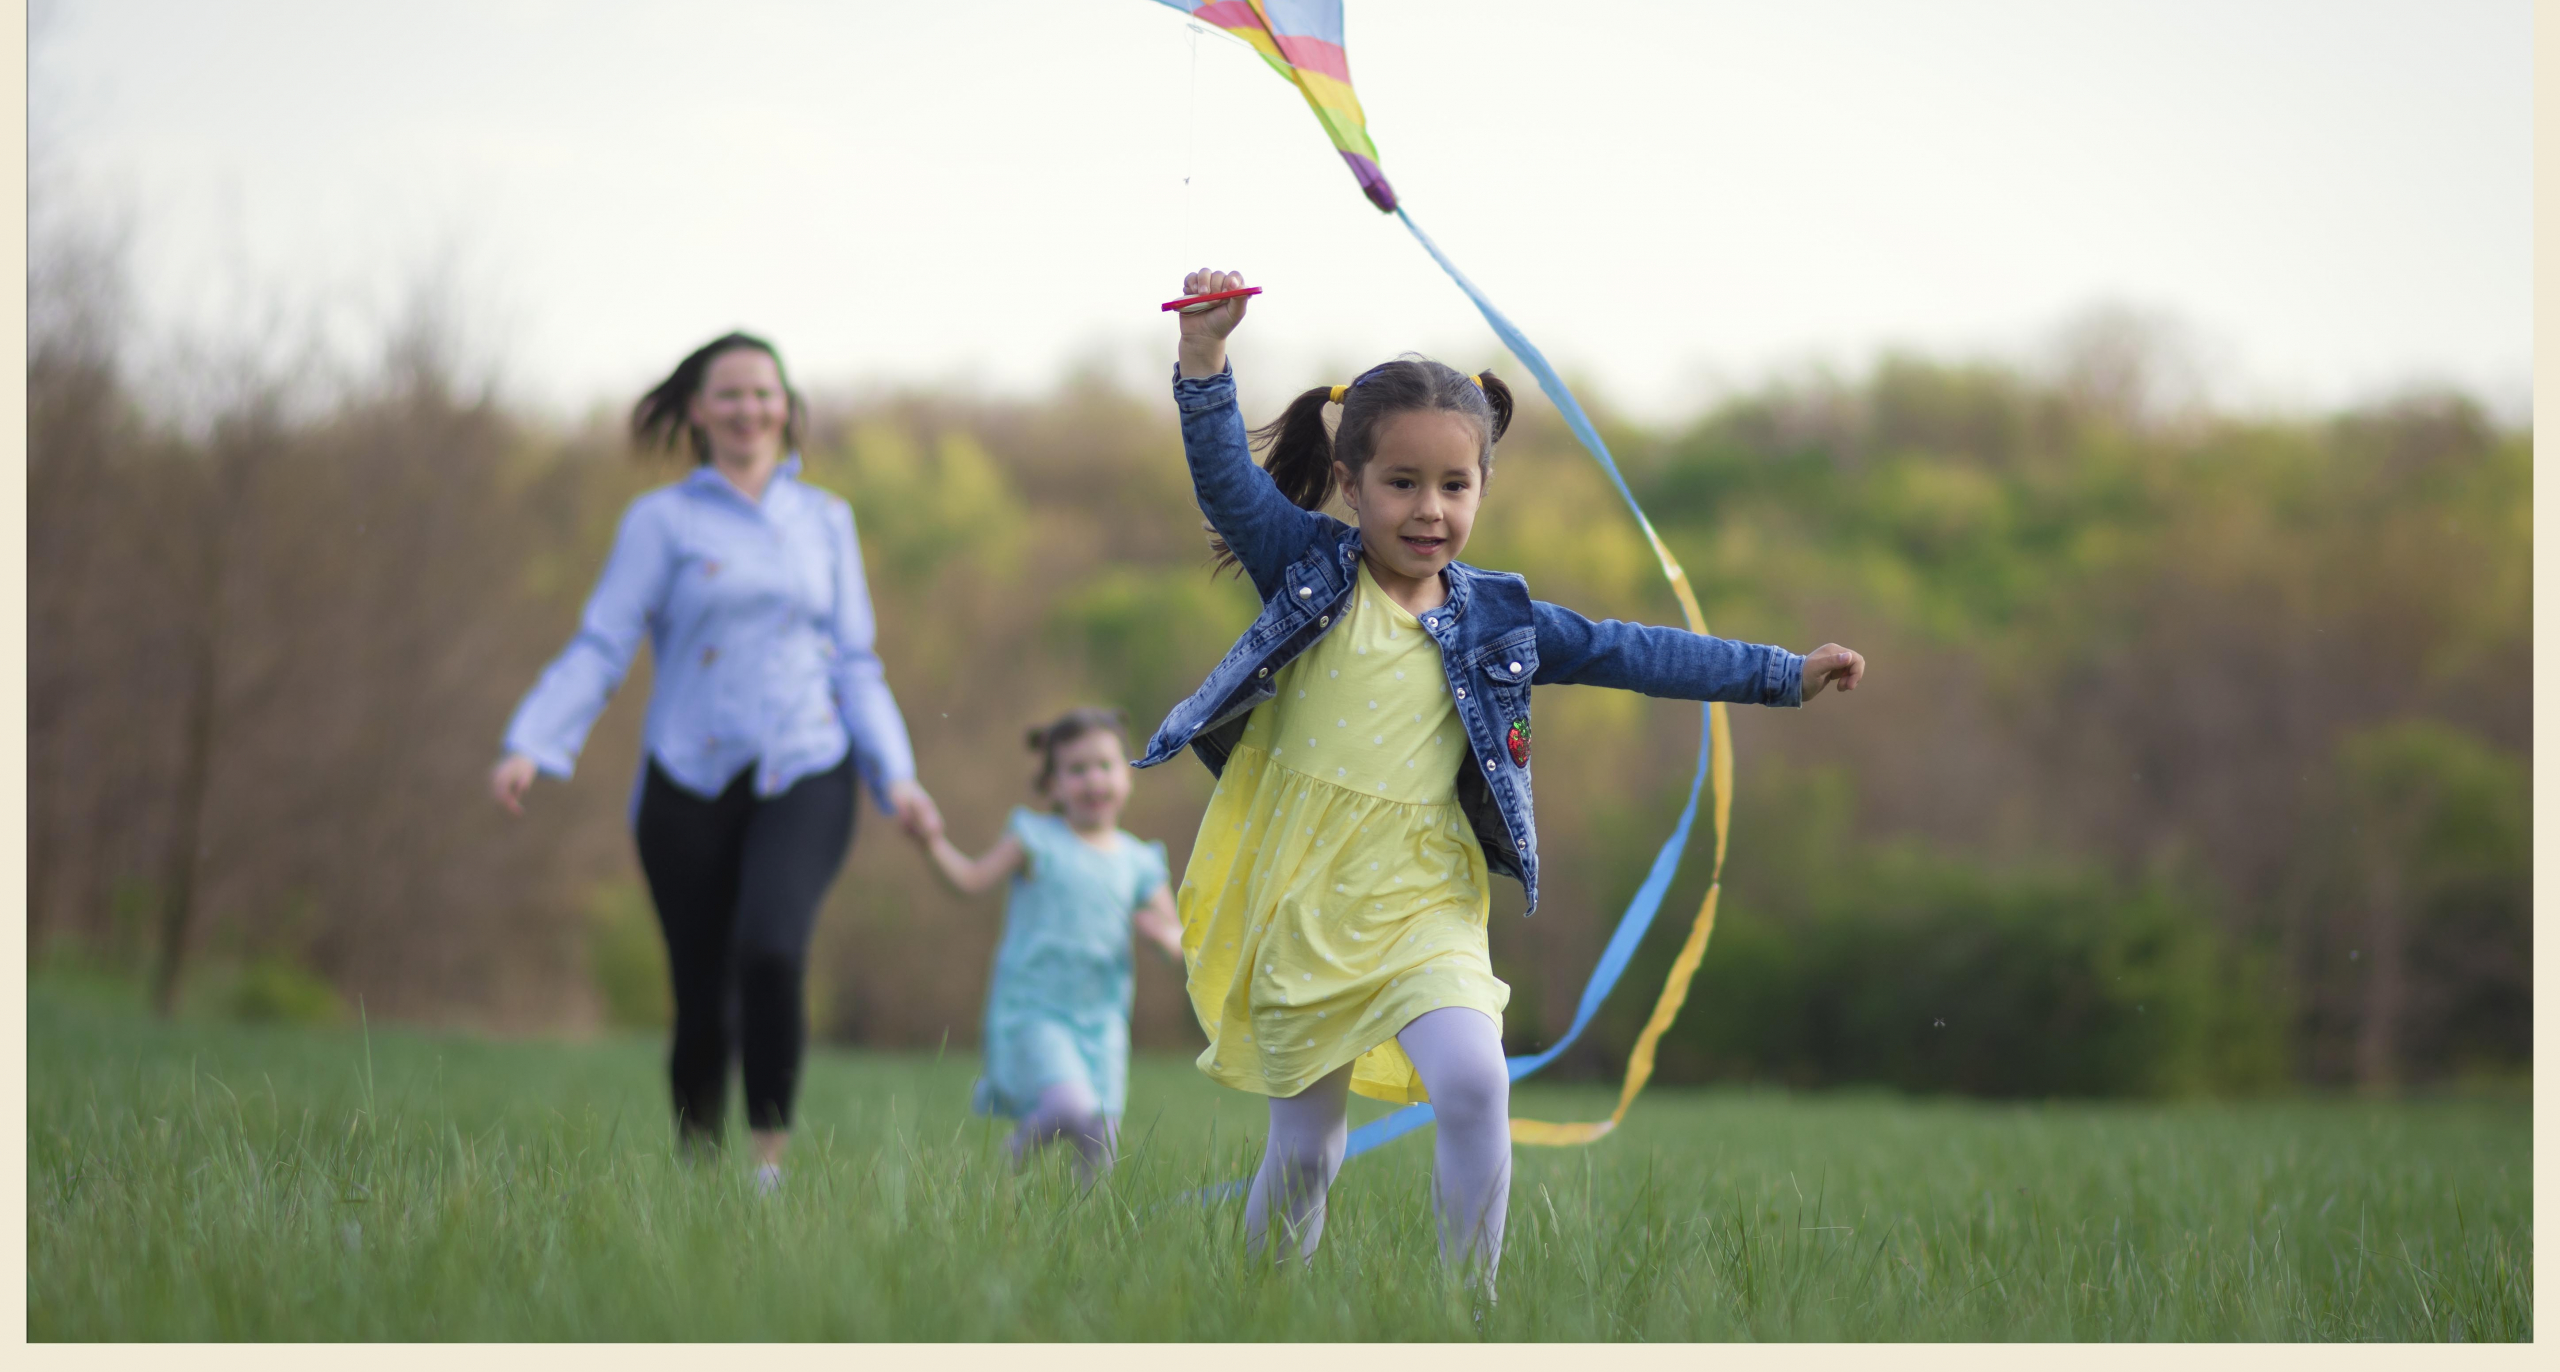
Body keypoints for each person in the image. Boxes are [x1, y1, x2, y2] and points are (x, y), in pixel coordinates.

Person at [1142, 269, 1866, 1291]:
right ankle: (1260, 1315)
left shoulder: (1499, 619)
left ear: (1483, 486)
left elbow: (1628, 651)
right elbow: (1225, 482)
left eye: (1454, 486)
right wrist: (1205, 357)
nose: (1429, 510)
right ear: (1352, 486)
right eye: (1401, 484)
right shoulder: (1306, 565)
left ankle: (1464, 1313)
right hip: (1301, 893)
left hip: (1426, 894)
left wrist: (1780, 675)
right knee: (1305, 1151)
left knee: (1476, 1085)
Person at [489, 330, 936, 1195]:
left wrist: (898, 776)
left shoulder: (826, 520)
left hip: (807, 764)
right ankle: (697, 1177)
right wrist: (533, 743)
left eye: (764, 392)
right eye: (728, 394)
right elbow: (602, 643)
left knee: (771, 947)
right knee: (700, 995)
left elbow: (857, 662)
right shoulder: (661, 522)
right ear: (696, 410)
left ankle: (767, 1173)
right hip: (684, 779)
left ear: (785, 405)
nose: (749, 409)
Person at [898, 707, 1181, 1186]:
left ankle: (1082, 1235)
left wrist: (1165, 940)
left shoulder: (1140, 862)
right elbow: (970, 881)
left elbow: (1176, 941)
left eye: (1105, 766)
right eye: (1076, 770)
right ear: (1052, 787)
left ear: (1128, 776)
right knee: (1069, 1107)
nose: (1093, 780)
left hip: (1104, 1021)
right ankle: (994, 1178)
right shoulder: (1036, 840)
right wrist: (932, 844)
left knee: (1100, 1139)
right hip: (1036, 1011)